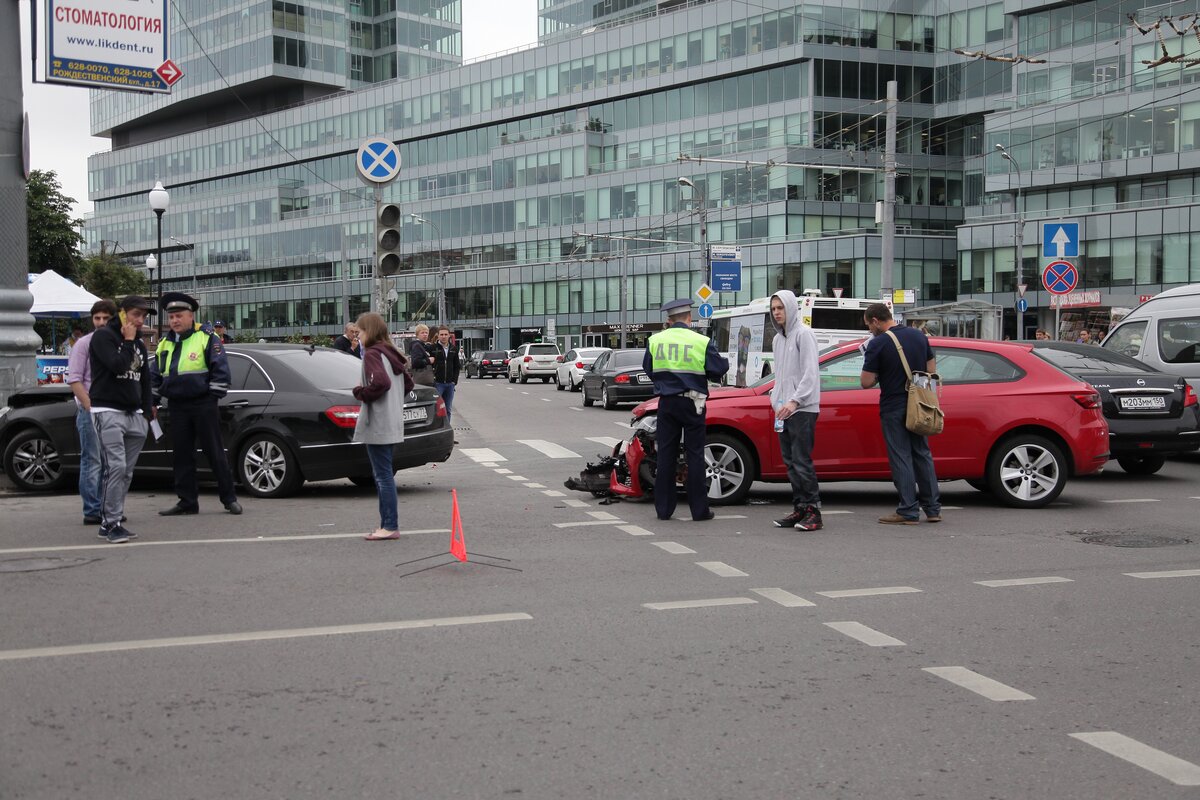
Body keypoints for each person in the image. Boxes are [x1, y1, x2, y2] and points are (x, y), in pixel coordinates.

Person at [153, 292, 243, 517]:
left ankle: (229, 499)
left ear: (191, 316)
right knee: (182, 455)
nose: (174, 320)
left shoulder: (207, 338)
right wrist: (152, 402)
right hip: (176, 406)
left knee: (214, 453)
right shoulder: (164, 343)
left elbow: (221, 371)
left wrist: (211, 399)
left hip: (203, 404)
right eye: (171, 316)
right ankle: (187, 502)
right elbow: (155, 376)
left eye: (179, 316)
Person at [643, 298, 729, 522]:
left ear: (669, 320)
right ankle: (699, 511)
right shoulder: (701, 340)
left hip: (667, 403)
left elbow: (649, 369)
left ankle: (664, 510)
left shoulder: (655, 340)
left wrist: (666, 382)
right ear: (689, 319)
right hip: (693, 403)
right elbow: (718, 369)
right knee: (695, 455)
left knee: (666, 456)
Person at [859, 303, 941, 525]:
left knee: (901, 456)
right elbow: (931, 369)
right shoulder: (919, 336)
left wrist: (880, 374)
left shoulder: (878, 343)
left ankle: (908, 510)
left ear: (876, 321)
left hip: (893, 405)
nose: (869, 330)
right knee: (922, 453)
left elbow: (866, 382)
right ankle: (933, 509)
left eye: (869, 325)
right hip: (919, 403)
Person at [89, 296, 157, 544]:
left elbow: (145, 378)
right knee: (114, 467)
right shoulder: (104, 337)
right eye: (136, 315)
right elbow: (117, 366)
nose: (140, 321)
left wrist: (148, 409)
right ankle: (109, 523)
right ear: (121, 314)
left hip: (134, 415)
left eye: (143, 316)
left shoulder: (139, 343)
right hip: (108, 411)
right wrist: (127, 341)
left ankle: (114, 519)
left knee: (126, 472)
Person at [768, 290, 823, 531]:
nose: (777, 312)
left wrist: (795, 401)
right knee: (790, 462)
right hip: (784, 410)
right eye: (773, 309)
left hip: (803, 408)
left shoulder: (804, 334)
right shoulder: (778, 339)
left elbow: (810, 374)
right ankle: (800, 508)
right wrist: (776, 401)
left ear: (791, 308)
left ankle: (813, 511)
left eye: (781, 308)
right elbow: (780, 376)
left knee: (802, 461)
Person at [352, 312, 411, 541]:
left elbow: (381, 384)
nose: (358, 337)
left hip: (378, 422)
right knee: (384, 474)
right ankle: (388, 524)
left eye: (360, 332)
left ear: (370, 331)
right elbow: (408, 383)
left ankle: (389, 526)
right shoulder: (390, 353)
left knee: (382, 476)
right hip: (392, 419)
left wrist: (360, 392)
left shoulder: (373, 354)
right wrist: (393, 402)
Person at [66, 299, 118, 526]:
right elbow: (75, 380)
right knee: (93, 460)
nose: (101, 322)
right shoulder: (84, 344)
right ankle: (92, 509)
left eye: (106, 318)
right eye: (97, 318)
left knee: (111, 463)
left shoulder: (118, 343)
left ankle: (107, 507)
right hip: (91, 410)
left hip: (112, 410)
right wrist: (91, 407)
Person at [431, 326, 461, 421]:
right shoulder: (433, 348)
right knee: (437, 408)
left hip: (449, 385)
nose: (443, 336)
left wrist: (454, 381)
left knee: (448, 409)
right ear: (438, 336)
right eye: (441, 334)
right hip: (438, 384)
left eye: (445, 334)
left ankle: (447, 428)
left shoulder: (454, 349)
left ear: (449, 336)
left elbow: (457, 366)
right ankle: (437, 428)